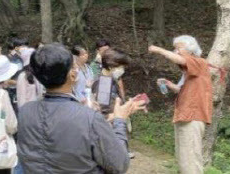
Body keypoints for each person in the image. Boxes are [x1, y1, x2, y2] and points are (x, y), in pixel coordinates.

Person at [17, 43, 145, 173]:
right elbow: (120, 164)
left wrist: (79, 107)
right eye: (75, 66)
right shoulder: (89, 117)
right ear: (72, 75)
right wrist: (119, 120)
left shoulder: (25, 112)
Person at [149, 35, 213, 174]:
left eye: (179, 47)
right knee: (184, 157)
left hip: (192, 116)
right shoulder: (189, 72)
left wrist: (160, 50)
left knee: (190, 159)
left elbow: (181, 59)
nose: (176, 51)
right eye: (175, 48)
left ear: (191, 49)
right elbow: (180, 89)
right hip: (184, 116)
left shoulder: (199, 62)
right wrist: (168, 84)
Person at [91, 48, 130, 117]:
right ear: (111, 66)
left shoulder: (111, 80)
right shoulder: (103, 85)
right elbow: (103, 116)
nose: (122, 69)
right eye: (121, 66)